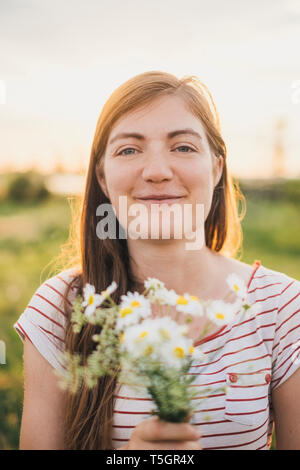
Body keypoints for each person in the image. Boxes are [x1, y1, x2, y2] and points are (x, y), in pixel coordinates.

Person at [14, 71, 300, 450]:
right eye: (129, 150)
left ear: (216, 169)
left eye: (182, 147)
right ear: (102, 177)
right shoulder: (60, 308)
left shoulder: (281, 307)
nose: (157, 172)